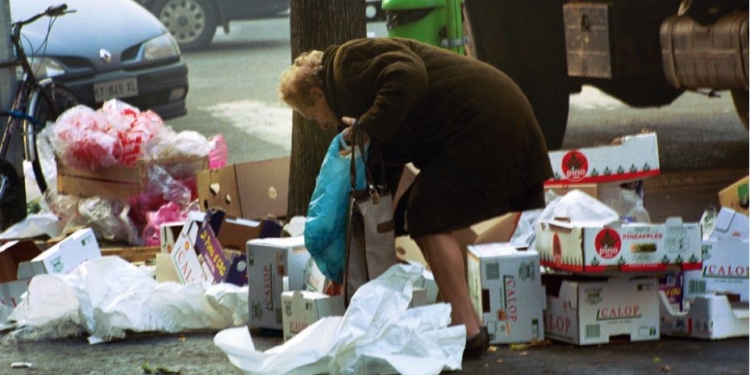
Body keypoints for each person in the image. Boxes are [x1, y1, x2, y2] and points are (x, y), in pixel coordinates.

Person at [278, 37, 553, 359]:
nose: (322, 125)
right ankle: (459, 312)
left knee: (428, 214)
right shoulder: (349, 88)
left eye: (312, 116)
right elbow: (390, 162)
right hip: (483, 119)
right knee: (417, 213)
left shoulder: (345, 67)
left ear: (316, 93)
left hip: (486, 119)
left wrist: (369, 128)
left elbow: (409, 75)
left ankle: (468, 328)